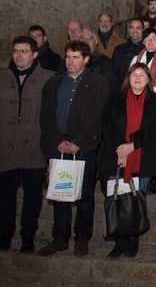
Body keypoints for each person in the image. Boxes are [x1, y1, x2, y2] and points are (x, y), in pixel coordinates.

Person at [37, 41, 109, 257]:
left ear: (86, 59)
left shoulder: (98, 82)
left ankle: (82, 237)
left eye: (76, 57)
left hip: (84, 145)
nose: (70, 61)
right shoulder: (54, 82)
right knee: (60, 192)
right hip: (58, 144)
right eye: (68, 57)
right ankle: (60, 237)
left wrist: (79, 141)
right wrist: (57, 139)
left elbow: (97, 115)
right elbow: (46, 115)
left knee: (84, 193)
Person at [99, 62, 156, 258]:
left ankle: (133, 240)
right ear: (128, 78)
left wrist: (132, 145)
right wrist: (121, 150)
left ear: (148, 80)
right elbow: (107, 125)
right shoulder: (114, 99)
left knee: (136, 200)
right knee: (118, 199)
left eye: (142, 75)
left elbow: (155, 128)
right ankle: (119, 241)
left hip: (143, 158)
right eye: (134, 74)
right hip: (115, 156)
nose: (137, 78)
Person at [0, 36, 55, 253]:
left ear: (34, 54)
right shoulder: (3, 77)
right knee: (5, 194)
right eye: (16, 51)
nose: (19, 55)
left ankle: (27, 237)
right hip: (6, 146)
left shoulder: (48, 78)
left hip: (33, 146)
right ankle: (4, 235)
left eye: (24, 51)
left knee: (32, 195)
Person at [78, 28, 118, 95]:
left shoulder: (106, 62)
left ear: (96, 42)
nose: (85, 41)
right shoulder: (70, 60)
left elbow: (112, 89)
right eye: (82, 38)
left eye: (90, 38)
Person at [112, 19, 144, 84]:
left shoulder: (148, 49)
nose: (135, 30)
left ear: (143, 30)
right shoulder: (119, 49)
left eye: (138, 28)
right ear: (129, 30)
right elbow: (114, 73)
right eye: (132, 27)